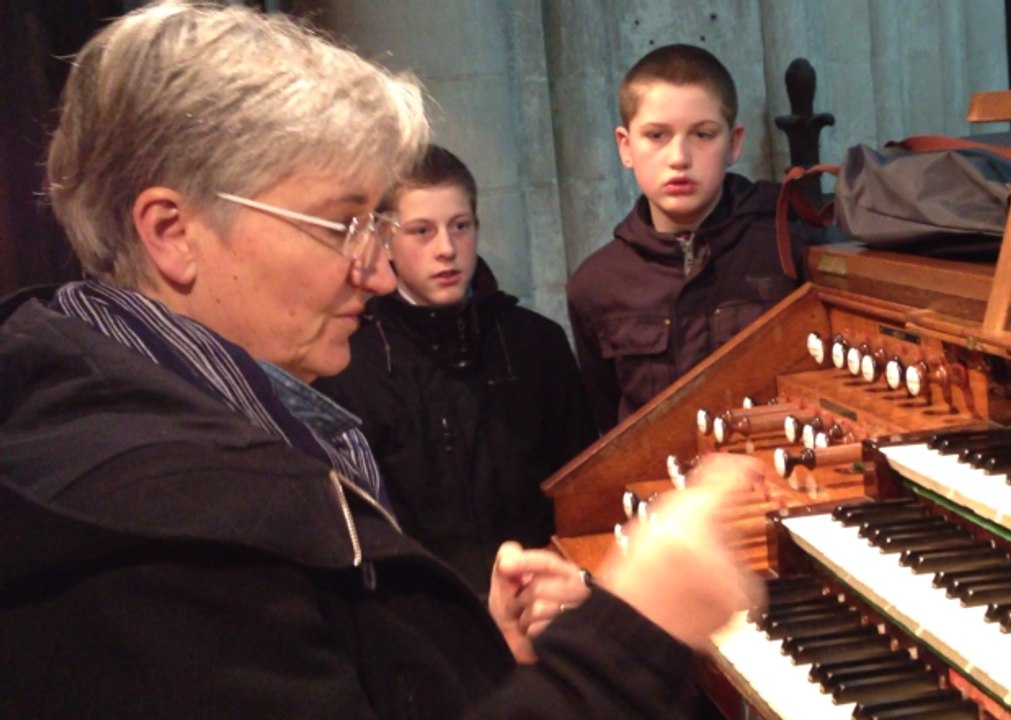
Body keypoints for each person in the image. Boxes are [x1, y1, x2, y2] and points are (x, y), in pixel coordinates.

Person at [0, 3, 762, 719]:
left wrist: (454, 643)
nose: (374, 271)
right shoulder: (158, 531)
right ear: (172, 232)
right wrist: (635, 632)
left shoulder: (170, 413)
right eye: (341, 226)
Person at [313, 145, 598, 594]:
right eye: (422, 231)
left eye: (459, 227)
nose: (446, 249)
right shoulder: (348, 361)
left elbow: (582, 486)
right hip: (426, 612)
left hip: (547, 596)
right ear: (385, 240)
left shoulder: (535, 343)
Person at [567, 43, 803, 432]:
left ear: (734, 142)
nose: (679, 156)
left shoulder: (787, 248)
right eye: (657, 135)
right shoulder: (595, 285)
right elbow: (607, 426)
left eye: (703, 134)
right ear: (625, 146)